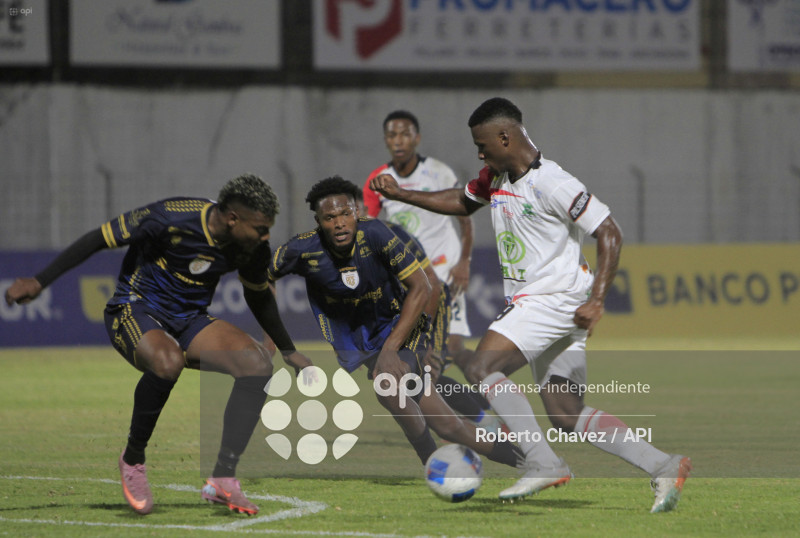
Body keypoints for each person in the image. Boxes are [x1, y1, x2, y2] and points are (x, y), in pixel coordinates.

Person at [370, 98, 691, 513]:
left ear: (505, 137)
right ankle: (662, 465)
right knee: (565, 411)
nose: (479, 153)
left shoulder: (551, 180)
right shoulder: (496, 177)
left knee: (482, 366)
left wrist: (598, 300)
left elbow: (610, 231)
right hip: (559, 302)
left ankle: (542, 462)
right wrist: (402, 193)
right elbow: (459, 201)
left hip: (552, 298)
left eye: (482, 144)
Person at [5, 174, 313, 516]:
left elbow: (259, 299)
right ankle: (133, 459)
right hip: (134, 307)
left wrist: (287, 349)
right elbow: (98, 239)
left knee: (257, 366)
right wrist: (39, 280)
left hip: (190, 319)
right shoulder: (170, 218)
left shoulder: (251, 247)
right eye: (260, 228)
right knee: (168, 363)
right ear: (232, 219)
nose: (266, 236)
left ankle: (223, 479)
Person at [268, 176, 523, 470]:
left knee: (386, 385)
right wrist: (280, 345)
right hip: (364, 344)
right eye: (330, 217)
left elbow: (424, 287)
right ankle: (528, 459)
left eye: (345, 214)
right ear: (318, 221)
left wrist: (396, 348)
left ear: (356, 213)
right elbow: (261, 283)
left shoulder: (377, 233)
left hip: (403, 327)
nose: (339, 223)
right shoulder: (302, 250)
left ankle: (433, 464)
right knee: (448, 425)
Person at [354, 189, 503, 435]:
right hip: (399, 314)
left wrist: (424, 339)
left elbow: (431, 285)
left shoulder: (391, 236)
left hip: (429, 302)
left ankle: (481, 426)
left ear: (365, 211)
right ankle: (482, 415)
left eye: (355, 212)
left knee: (427, 372)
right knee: (411, 377)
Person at [363, 110, 476, 373]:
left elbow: (465, 217)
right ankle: (478, 414)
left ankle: (488, 398)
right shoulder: (377, 181)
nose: (399, 141)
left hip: (446, 268)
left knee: (454, 349)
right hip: (413, 278)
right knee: (422, 358)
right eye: (392, 135)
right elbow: (367, 229)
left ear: (417, 139)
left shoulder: (438, 172)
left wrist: (464, 262)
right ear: (385, 140)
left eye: (405, 134)